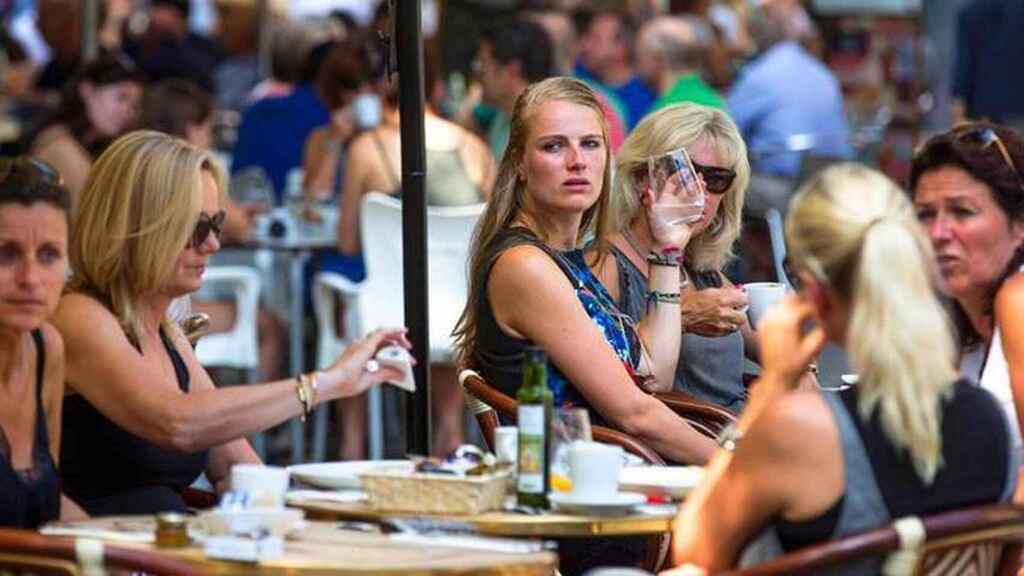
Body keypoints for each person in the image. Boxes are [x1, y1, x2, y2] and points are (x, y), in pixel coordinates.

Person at [670, 163, 1015, 573]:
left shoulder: (799, 429)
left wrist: (774, 386)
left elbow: (695, 552)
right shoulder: (989, 417)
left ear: (814, 290)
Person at [52, 130, 409, 515]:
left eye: (216, 224)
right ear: (139, 228)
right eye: (196, 228)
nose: (213, 244)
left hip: (170, 551)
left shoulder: (166, 331)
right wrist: (323, 384)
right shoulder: (80, 315)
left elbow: (235, 467)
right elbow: (178, 423)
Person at [453, 77, 716, 467]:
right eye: (553, 146)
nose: (577, 161)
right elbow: (636, 415)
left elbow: (654, 375)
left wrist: (666, 250)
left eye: (591, 144)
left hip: (615, 470)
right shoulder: (524, 265)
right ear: (520, 164)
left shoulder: (565, 255)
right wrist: (738, 467)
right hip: (577, 487)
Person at [323, 53, 495, 459]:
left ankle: (352, 444)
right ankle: (450, 434)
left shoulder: (367, 149)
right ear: (435, 88)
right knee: (448, 310)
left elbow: (347, 243)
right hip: (458, 315)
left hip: (387, 314)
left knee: (350, 315)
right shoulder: (475, 147)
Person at [596, 103, 752, 413]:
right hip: (686, 447)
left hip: (744, 434)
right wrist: (681, 317)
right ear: (643, 178)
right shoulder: (605, 263)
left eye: (717, 179)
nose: (701, 191)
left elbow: (772, 343)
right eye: (685, 174)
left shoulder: (701, 269)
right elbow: (602, 373)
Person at [139, 78, 285, 382]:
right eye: (206, 127)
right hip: (166, 304)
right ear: (192, 128)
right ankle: (263, 428)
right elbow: (241, 228)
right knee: (270, 326)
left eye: (211, 227)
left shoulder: (141, 167)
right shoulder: (192, 175)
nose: (211, 243)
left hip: (160, 302)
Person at [910, 122, 1024, 464]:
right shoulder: (950, 316)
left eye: (962, 211)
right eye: (925, 215)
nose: (939, 233)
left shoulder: (1018, 298)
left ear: (1019, 225)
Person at [0, 157, 85, 527]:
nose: (30, 278)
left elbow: (46, 505)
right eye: (6, 254)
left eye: (48, 255)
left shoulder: (46, 346)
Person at [28, 52, 144, 200]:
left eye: (135, 105)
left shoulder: (93, 146)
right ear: (87, 90)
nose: (127, 111)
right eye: (122, 97)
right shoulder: (60, 147)